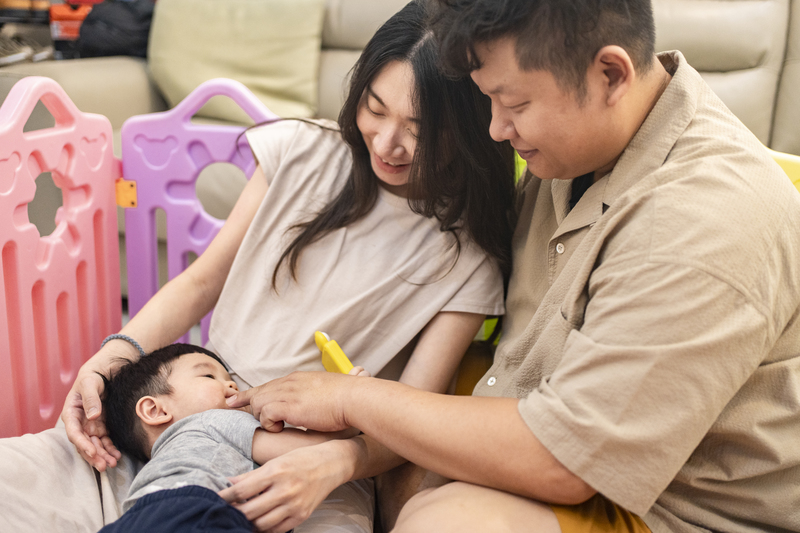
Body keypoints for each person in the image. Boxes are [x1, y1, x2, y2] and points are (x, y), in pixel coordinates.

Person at [225, 0, 800, 532]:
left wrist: (352, 399)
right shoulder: (573, 152)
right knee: (384, 470)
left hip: (662, 506)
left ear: (611, 76)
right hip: (541, 419)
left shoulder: (703, 222)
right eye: (489, 101)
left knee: (442, 521)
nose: (498, 128)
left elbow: (568, 458)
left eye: (515, 103)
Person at [0, 1, 516, 532]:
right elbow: (201, 281)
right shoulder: (301, 151)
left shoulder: (469, 255)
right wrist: (112, 357)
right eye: (375, 108)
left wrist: (341, 462)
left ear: (469, 126)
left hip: (306, 471)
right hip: (181, 429)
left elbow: (412, 419)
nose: (387, 144)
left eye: (420, 128)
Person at [97, 343, 366, 533]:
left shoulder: (174, 451)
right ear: (155, 410)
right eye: (208, 375)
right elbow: (313, 449)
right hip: (192, 510)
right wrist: (352, 402)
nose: (232, 385)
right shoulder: (214, 420)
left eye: (230, 379)